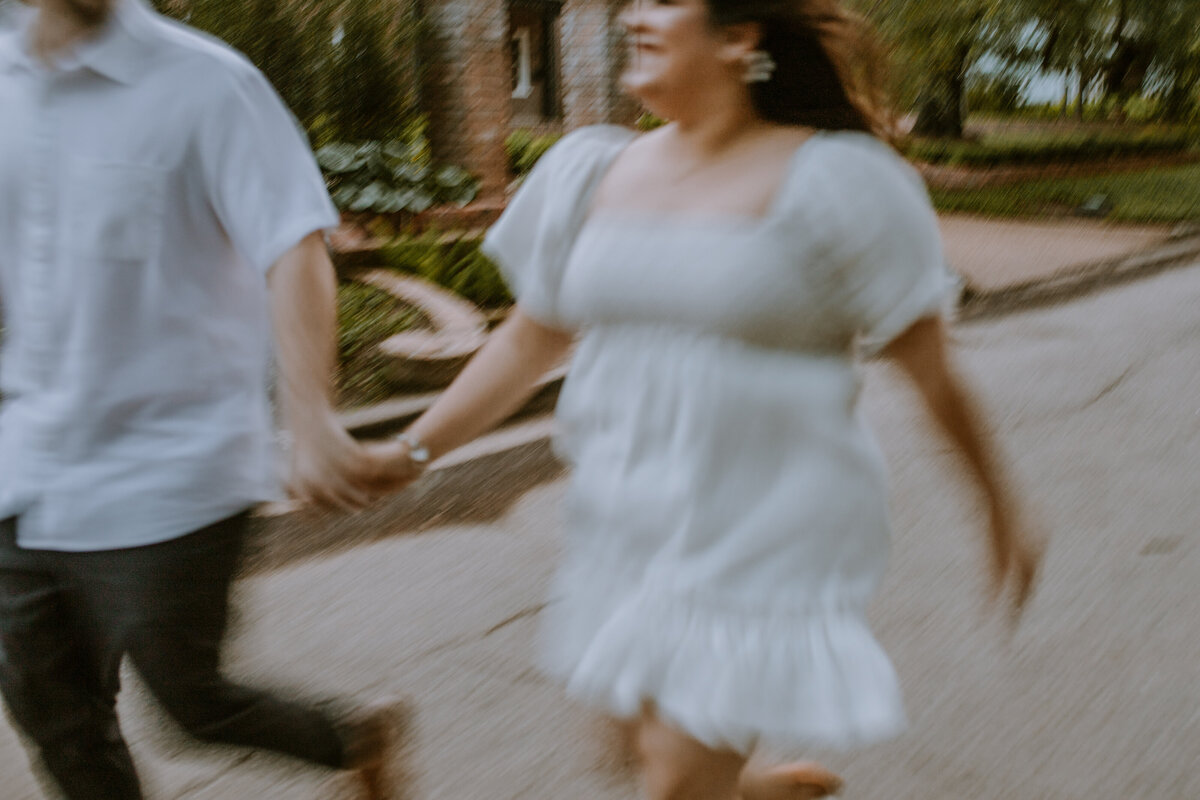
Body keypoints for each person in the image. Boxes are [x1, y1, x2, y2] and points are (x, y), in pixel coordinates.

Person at [377, 0, 1042, 798]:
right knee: (624, 746)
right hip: (627, 514)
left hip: (767, 528)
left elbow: (931, 371)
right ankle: (746, 788)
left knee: (674, 779)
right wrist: (408, 452)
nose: (632, 16)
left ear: (739, 36)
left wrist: (1000, 508)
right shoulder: (590, 170)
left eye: (662, 1)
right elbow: (527, 341)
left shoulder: (841, 180)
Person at [0, 0, 408, 797]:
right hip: (30, 459)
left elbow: (293, 244)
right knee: (55, 718)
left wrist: (311, 416)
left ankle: (355, 735)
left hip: (173, 465)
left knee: (191, 703)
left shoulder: (209, 84)